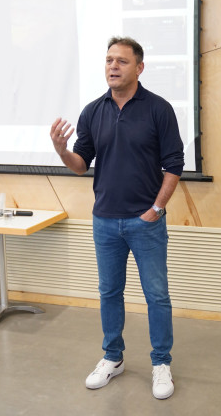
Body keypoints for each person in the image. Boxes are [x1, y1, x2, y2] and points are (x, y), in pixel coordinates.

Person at [49, 36, 184, 400]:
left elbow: (174, 164)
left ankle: (161, 363)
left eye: (122, 61)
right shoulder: (93, 111)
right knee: (109, 292)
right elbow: (81, 164)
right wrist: (62, 151)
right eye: (109, 60)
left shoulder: (158, 109)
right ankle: (113, 357)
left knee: (157, 295)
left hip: (146, 222)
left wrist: (156, 209)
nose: (113, 66)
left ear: (139, 68)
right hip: (105, 221)